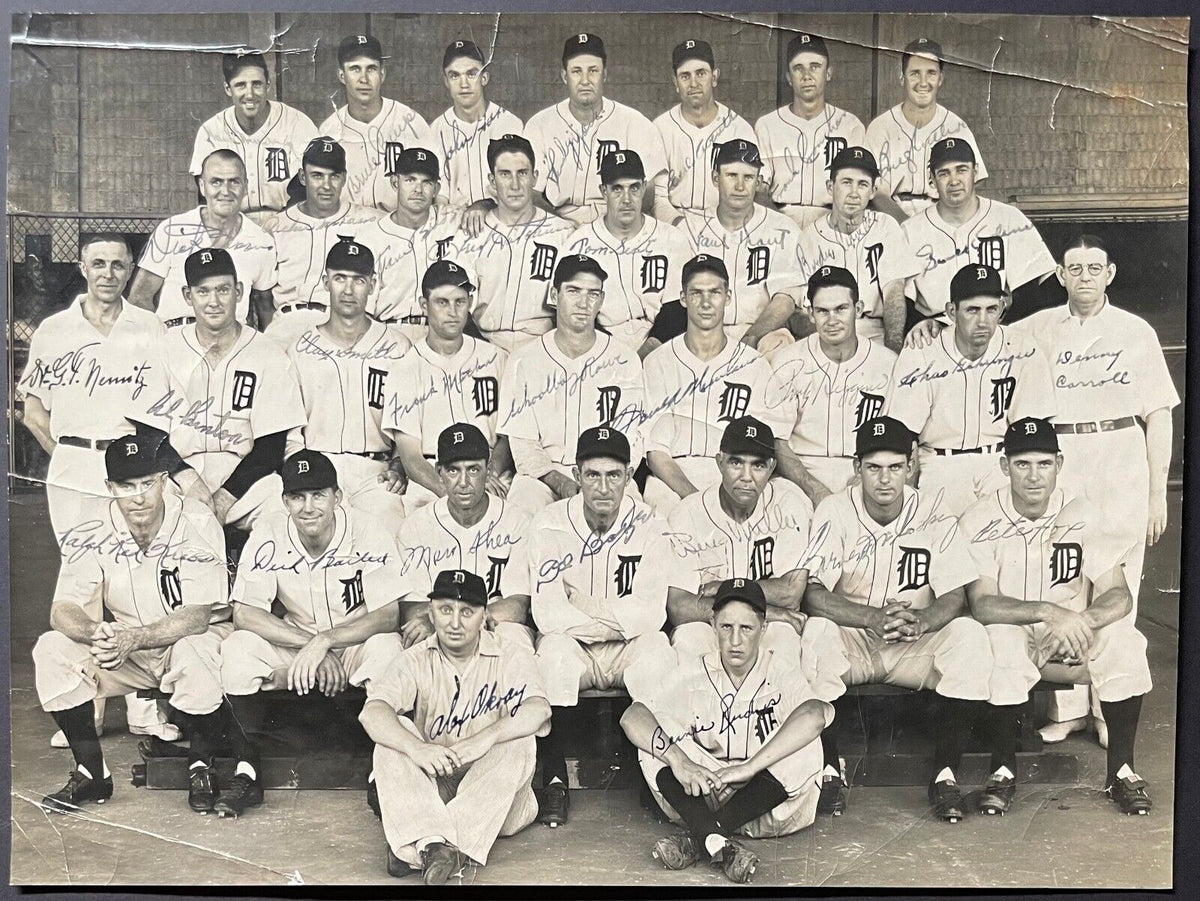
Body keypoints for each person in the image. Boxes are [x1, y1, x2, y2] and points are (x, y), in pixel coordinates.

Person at [1016, 235, 1179, 744]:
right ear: (1061, 275)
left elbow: (1159, 416)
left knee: (1118, 583)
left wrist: (1156, 493)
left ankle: (1112, 705)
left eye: (1094, 267)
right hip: (1065, 455)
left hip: (1121, 454)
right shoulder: (1040, 327)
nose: (1084, 276)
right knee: (1063, 578)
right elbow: (985, 333)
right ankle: (1069, 708)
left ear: (1109, 274)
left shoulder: (1136, 331)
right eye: (1074, 268)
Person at [19, 234, 179, 747]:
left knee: (138, 576)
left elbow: (162, 408)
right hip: (75, 467)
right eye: (97, 264)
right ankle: (81, 706)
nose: (107, 273)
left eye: (117, 264)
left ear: (131, 269)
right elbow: (33, 410)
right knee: (83, 582)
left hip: (132, 463)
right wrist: (70, 453)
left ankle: (143, 707)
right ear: (83, 268)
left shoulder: (149, 326)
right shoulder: (54, 329)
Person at [802, 416, 992, 822]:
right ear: (857, 469)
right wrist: (869, 617)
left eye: (894, 467)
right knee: (815, 634)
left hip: (910, 644)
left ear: (910, 466)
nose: (884, 480)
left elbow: (955, 594)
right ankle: (830, 770)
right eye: (873, 468)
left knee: (970, 637)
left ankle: (945, 772)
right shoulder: (835, 510)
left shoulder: (934, 512)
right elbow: (814, 594)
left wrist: (923, 621)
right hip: (854, 638)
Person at [961, 417, 1154, 816]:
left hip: (1072, 641)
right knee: (998, 638)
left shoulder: (1083, 510)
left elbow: (1119, 594)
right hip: (1017, 636)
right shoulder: (980, 517)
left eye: (1044, 463)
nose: (1034, 476)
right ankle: (1002, 770)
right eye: (1022, 464)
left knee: (1125, 640)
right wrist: (1050, 613)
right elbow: (982, 604)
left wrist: (1081, 623)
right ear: (1003, 466)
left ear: (1060, 464)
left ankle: (1122, 771)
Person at [34, 436, 231, 815]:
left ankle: (200, 766)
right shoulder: (92, 526)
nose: (138, 497)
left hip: (189, 641)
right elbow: (63, 609)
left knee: (196, 649)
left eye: (146, 484)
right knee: (52, 649)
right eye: (126, 487)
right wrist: (97, 633)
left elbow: (197, 617)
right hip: (129, 649)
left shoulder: (196, 520)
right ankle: (92, 773)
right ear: (110, 488)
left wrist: (133, 638)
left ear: (163, 480)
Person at [216, 450, 406, 818]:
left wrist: (327, 642)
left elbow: (387, 615)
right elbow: (244, 612)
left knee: (388, 650)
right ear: (285, 500)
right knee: (239, 650)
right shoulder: (269, 531)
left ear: (337, 496)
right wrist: (311, 646)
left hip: (353, 642)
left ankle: (382, 773)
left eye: (318, 494)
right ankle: (247, 769)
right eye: (298, 496)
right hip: (297, 641)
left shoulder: (368, 529)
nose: (308, 507)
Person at [505, 426, 673, 827]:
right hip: (574, 645)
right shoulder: (548, 523)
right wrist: (616, 614)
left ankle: (652, 778)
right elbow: (547, 615)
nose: (603, 487)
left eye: (613, 475)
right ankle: (556, 777)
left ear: (629, 476)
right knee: (552, 654)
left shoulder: (651, 522)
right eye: (593, 475)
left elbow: (653, 614)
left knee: (657, 652)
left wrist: (583, 606)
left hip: (624, 644)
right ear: (577, 475)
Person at [621, 579, 833, 883]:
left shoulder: (780, 670)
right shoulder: (694, 670)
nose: (735, 640)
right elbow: (633, 717)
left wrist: (749, 768)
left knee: (808, 745)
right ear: (712, 624)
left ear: (763, 626)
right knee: (653, 740)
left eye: (746, 628)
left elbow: (816, 714)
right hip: (706, 789)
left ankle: (701, 837)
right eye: (726, 627)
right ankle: (718, 842)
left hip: (768, 810)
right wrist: (681, 762)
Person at [360, 569, 550, 884]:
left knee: (520, 739)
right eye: (446, 610)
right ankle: (438, 846)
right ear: (431, 613)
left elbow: (538, 709)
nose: (455, 622)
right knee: (394, 736)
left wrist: (485, 739)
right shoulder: (415, 658)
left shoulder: (509, 652)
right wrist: (416, 748)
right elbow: (373, 712)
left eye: (467, 611)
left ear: (484, 616)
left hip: (496, 800)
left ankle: (420, 842)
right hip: (436, 787)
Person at [664, 417, 846, 706]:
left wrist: (723, 588)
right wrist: (770, 611)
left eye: (758, 465)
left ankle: (779, 738)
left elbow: (790, 592)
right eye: (737, 462)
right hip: (716, 624)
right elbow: (679, 608)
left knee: (784, 637)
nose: (747, 476)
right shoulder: (687, 513)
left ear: (772, 468)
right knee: (689, 638)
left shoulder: (789, 502)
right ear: (719, 461)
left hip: (762, 624)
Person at [139, 248, 307, 535]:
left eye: (223, 290)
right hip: (179, 472)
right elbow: (148, 432)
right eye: (203, 292)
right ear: (187, 296)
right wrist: (188, 479)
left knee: (280, 509)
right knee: (148, 507)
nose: (214, 302)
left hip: (246, 475)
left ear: (239, 292)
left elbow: (272, 444)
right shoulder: (164, 348)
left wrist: (227, 495)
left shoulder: (267, 353)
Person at [887, 263, 1056, 517]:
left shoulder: (1022, 347)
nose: (982, 321)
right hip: (940, 463)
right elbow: (902, 432)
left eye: (991, 310)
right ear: (951, 311)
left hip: (999, 462)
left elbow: (1032, 430)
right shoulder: (923, 349)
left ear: (1002, 308)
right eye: (972, 310)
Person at [641, 255, 793, 514]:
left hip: (735, 473)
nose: (706, 303)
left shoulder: (753, 364)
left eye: (714, 292)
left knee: (787, 501)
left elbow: (769, 444)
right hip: (673, 477)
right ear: (682, 298)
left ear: (729, 297)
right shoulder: (657, 362)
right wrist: (695, 499)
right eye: (696, 293)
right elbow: (655, 454)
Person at [497, 254, 646, 516]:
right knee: (521, 510)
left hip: (606, 474)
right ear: (555, 295)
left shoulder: (625, 359)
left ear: (601, 300)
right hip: (542, 478)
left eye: (592, 294)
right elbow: (523, 445)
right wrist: (560, 481)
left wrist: (600, 480)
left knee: (635, 516)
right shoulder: (523, 359)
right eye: (573, 291)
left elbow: (634, 438)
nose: (583, 303)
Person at [286, 238, 411, 533]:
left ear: (372, 284)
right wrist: (301, 475)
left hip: (377, 473)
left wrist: (399, 463)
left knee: (389, 534)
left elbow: (411, 422)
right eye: (339, 278)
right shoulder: (300, 349)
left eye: (358, 280)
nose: (348, 289)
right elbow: (290, 432)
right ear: (325, 281)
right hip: (316, 470)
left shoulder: (397, 347)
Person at [382, 259, 511, 510]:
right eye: (442, 302)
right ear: (424, 305)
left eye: (459, 302)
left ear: (469, 303)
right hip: (433, 479)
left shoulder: (497, 358)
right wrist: (452, 492)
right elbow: (410, 457)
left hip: (488, 474)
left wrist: (484, 476)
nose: (452, 311)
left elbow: (508, 434)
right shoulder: (405, 369)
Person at [394, 424, 533, 651]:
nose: (463, 482)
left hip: (494, 624)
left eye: (473, 470)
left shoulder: (517, 521)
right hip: (439, 629)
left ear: (488, 470)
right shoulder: (415, 526)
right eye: (453, 470)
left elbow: (518, 604)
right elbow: (411, 607)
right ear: (439, 472)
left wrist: (467, 621)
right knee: (416, 635)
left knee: (514, 636)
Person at [771, 266, 897, 505]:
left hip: (865, 472)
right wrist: (813, 489)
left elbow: (897, 439)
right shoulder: (787, 360)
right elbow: (777, 441)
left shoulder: (887, 363)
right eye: (822, 311)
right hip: (802, 472)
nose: (832, 320)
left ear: (858, 309)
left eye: (841, 309)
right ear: (810, 313)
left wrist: (863, 481)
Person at [901, 137, 1055, 325]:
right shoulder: (910, 230)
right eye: (944, 173)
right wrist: (919, 324)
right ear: (932, 180)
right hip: (937, 330)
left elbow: (1032, 289)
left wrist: (1004, 332)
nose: (954, 180)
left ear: (975, 172)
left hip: (997, 326)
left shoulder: (1009, 218)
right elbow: (903, 301)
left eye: (961, 170)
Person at [524, 33, 672, 225]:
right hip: (558, 223)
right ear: (564, 76)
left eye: (593, 70)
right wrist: (559, 227)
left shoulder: (635, 123)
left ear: (605, 74)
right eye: (576, 71)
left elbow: (650, 192)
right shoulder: (540, 125)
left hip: (618, 225)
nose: (585, 80)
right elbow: (531, 192)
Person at [673, 139, 806, 353]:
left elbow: (785, 300)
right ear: (716, 179)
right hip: (701, 330)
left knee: (781, 347)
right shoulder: (689, 229)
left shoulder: (784, 229)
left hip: (762, 331)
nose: (740, 186)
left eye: (748, 177)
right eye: (732, 176)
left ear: (758, 181)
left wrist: (752, 337)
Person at [445, 134, 575, 352]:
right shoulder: (470, 233)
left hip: (544, 347)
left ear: (534, 178)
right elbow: (453, 305)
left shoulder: (563, 233)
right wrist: (480, 351)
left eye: (522, 173)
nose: (515, 184)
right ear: (492, 181)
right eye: (505, 174)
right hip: (483, 343)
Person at [563, 148, 693, 353]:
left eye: (633, 188)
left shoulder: (672, 239)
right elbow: (569, 312)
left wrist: (649, 349)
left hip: (664, 344)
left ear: (643, 188)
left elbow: (679, 307)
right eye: (617, 189)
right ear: (603, 191)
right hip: (599, 348)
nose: (626, 199)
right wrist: (609, 352)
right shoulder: (579, 243)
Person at [129, 149, 276, 330]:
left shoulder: (261, 241)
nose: (225, 191)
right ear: (202, 186)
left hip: (230, 342)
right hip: (176, 338)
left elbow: (265, 309)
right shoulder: (171, 231)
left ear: (245, 187)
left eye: (234, 182)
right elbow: (139, 298)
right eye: (216, 182)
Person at [263, 137, 385, 348]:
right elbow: (261, 295)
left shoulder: (372, 222)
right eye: (317, 176)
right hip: (287, 324)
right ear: (303, 177)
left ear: (345, 178)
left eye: (334, 176)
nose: (326, 186)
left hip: (344, 325)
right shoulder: (275, 226)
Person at [795, 146, 919, 350]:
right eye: (846, 183)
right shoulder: (809, 236)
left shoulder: (885, 226)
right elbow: (802, 309)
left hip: (874, 332)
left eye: (862, 184)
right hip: (825, 335)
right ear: (830, 187)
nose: (854, 193)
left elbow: (894, 294)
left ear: (872, 191)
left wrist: (893, 348)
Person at [754, 32, 881, 228]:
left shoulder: (850, 125)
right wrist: (778, 226)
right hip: (780, 219)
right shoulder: (767, 125)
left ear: (828, 73)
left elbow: (861, 191)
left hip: (832, 222)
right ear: (789, 77)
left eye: (815, 67)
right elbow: (758, 191)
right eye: (798, 69)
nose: (807, 76)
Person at [864, 38, 989, 218]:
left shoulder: (957, 127)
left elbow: (968, 187)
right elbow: (876, 193)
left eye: (931, 73)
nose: (923, 82)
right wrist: (909, 227)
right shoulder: (880, 127)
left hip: (943, 218)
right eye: (915, 73)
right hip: (890, 218)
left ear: (940, 78)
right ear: (902, 77)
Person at [189, 52, 318, 225]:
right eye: (240, 85)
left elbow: (309, 189)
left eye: (256, 84)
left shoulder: (297, 123)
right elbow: (205, 196)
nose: (250, 94)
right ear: (228, 88)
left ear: (268, 85)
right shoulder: (211, 131)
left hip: (289, 223)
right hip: (231, 225)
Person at [353, 147, 460, 342]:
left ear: (436, 189)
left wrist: (483, 205)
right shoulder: (370, 237)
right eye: (410, 180)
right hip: (390, 332)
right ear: (395, 182)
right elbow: (362, 311)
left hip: (441, 334)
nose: (418, 190)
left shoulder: (452, 221)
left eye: (426, 182)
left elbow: (493, 213)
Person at [318, 34, 436, 206]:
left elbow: (432, 187)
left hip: (399, 227)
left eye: (371, 69)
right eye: (355, 69)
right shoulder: (328, 130)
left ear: (382, 73)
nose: (364, 79)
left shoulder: (412, 123)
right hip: (347, 227)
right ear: (341, 75)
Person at [653, 39, 756, 217]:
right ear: (675, 82)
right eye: (685, 76)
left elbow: (747, 195)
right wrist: (678, 226)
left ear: (714, 77)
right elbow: (657, 199)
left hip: (724, 224)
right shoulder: (659, 128)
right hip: (674, 223)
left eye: (701, 73)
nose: (693, 83)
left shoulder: (739, 129)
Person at [430, 40, 523, 209]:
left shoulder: (510, 124)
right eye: (454, 75)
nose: (463, 84)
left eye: (471, 73)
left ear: (484, 77)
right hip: (454, 220)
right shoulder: (435, 130)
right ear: (446, 81)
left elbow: (518, 188)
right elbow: (439, 195)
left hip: (501, 216)